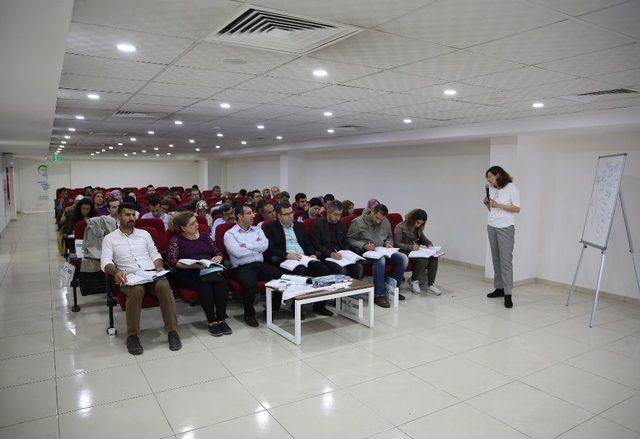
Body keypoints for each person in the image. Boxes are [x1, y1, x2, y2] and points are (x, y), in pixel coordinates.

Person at [101, 202, 181, 355]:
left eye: (133, 215)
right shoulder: (110, 239)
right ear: (119, 217)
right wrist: (116, 271)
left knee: (164, 285)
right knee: (137, 290)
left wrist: (158, 266)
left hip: (150, 273)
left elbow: (155, 254)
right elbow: (105, 262)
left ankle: (172, 332)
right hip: (127, 277)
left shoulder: (145, 234)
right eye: (127, 215)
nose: (131, 218)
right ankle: (133, 336)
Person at [263, 201, 333, 316]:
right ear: (279, 216)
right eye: (286, 214)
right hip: (285, 260)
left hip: (302, 258)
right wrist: (287, 255)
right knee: (301, 271)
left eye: (291, 212)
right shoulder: (270, 227)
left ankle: (319, 306)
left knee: (323, 269)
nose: (291, 216)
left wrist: (312, 254)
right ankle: (296, 307)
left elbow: (306, 243)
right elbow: (270, 248)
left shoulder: (299, 225)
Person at [168, 212, 231, 337]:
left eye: (196, 221)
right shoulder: (176, 240)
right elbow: (172, 261)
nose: (197, 225)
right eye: (192, 224)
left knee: (221, 283)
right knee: (205, 286)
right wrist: (192, 265)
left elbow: (217, 251)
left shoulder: (204, 236)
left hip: (207, 269)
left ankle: (221, 319)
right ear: (183, 228)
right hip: (187, 272)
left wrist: (218, 257)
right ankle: (212, 321)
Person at [224, 205, 283, 327]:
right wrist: (255, 246)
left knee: (282, 278)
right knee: (250, 284)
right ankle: (249, 314)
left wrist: (245, 245)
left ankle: (272, 309)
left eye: (253, 212)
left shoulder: (258, 230)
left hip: (260, 264)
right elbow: (237, 253)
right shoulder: (229, 234)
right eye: (249, 213)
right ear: (240, 216)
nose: (253, 215)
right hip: (242, 267)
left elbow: (264, 246)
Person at [348, 204, 408, 308]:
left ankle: (392, 289)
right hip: (365, 252)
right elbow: (349, 239)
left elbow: (389, 236)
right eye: (377, 218)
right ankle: (379, 295)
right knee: (381, 260)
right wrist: (364, 245)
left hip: (381, 250)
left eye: (381, 219)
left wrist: (388, 243)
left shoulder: (385, 222)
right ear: (372, 211)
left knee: (403, 258)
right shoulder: (357, 222)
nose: (378, 221)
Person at [484, 166, 520, 309]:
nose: (489, 180)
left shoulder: (512, 188)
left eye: (490, 177)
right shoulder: (493, 188)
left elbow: (517, 209)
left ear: (498, 175)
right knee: (496, 259)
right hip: (492, 226)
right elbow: (493, 210)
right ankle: (499, 288)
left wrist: (499, 205)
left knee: (506, 261)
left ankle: (508, 294)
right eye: (488, 178)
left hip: (505, 228)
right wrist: (488, 204)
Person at [311, 200, 364, 279]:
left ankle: (354, 290)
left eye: (340, 215)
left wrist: (346, 251)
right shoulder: (318, 225)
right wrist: (331, 254)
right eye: (335, 215)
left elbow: (345, 241)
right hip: (327, 256)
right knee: (342, 270)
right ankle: (343, 290)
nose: (338, 218)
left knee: (358, 267)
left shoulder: (340, 223)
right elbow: (316, 245)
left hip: (341, 255)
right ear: (328, 212)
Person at [394, 209, 441, 295]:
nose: (418, 225)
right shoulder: (400, 227)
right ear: (412, 219)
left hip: (415, 252)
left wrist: (429, 244)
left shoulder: (418, 228)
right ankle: (413, 280)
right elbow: (396, 244)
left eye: (421, 223)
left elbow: (423, 238)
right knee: (423, 260)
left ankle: (431, 284)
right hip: (404, 253)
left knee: (434, 258)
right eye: (417, 222)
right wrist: (411, 247)